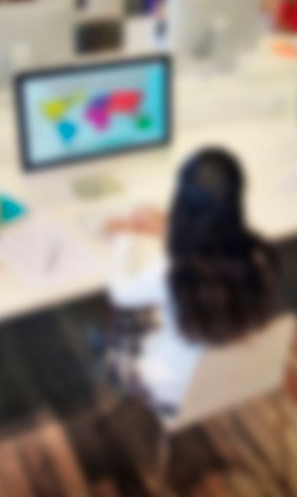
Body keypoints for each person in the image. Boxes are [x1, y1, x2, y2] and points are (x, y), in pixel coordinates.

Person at [103, 148, 280, 412]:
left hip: (173, 386)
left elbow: (120, 292)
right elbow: (210, 242)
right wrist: (166, 230)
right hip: (240, 372)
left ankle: (113, 366)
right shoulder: (259, 254)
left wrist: (126, 235)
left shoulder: (171, 271)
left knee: (120, 325)